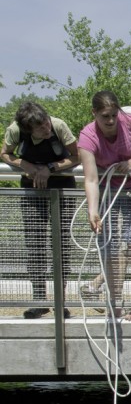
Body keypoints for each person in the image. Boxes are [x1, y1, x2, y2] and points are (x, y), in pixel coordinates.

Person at [79, 92, 131, 321]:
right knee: (109, 244)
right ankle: (113, 301)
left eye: (114, 115)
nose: (111, 121)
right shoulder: (87, 137)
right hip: (106, 191)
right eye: (105, 116)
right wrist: (92, 211)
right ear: (94, 113)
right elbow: (91, 179)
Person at [0, 102, 80, 318]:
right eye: (40, 128)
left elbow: (77, 155)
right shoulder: (15, 130)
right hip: (32, 189)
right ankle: (39, 300)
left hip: (62, 186)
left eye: (46, 123)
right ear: (28, 129)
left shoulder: (59, 125)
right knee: (35, 243)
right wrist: (24, 165)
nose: (46, 128)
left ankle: (59, 301)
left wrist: (50, 168)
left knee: (61, 244)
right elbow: (5, 153)